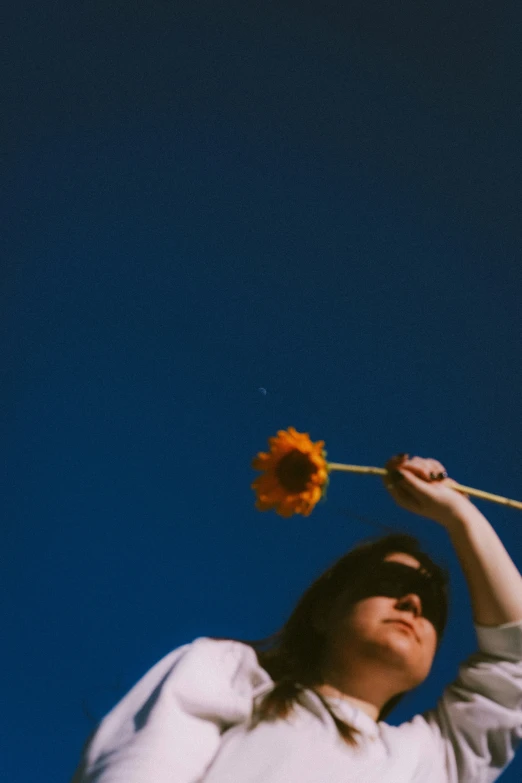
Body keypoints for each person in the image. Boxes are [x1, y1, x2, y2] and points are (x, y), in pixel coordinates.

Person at [70, 454, 522, 782]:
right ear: (325, 610)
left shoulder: (434, 760)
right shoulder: (230, 675)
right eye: (388, 582)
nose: (413, 603)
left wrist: (458, 513)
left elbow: (515, 660)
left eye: (434, 606)